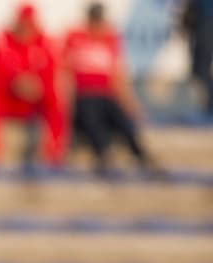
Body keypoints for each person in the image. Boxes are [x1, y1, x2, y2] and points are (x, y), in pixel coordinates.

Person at [63, 2, 162, 175]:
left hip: (106, 96)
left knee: (123, 121)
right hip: (84, 95)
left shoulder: (110, 39)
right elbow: (63, 71)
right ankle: (103, 154)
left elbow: (118, 76)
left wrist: (131, 104)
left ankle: (140, 154)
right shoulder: (75, 37)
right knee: (92, 118)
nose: (97, 23)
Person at [0, 4, 67, 170]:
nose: (26, 28)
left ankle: (54, 155)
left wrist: (36, 86)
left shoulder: (45, 42)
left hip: (35, 100)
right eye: (23, 23)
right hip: (10, 99)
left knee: (56, 104)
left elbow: (50, 75)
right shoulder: (4, 41)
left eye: (29, 23)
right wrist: (16, 82)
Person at [181, 0, 213, 115]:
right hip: (202, 24)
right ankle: (208, 105)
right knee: (199, 69)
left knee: (200, 68)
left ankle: (210, 106)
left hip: (205, 24)